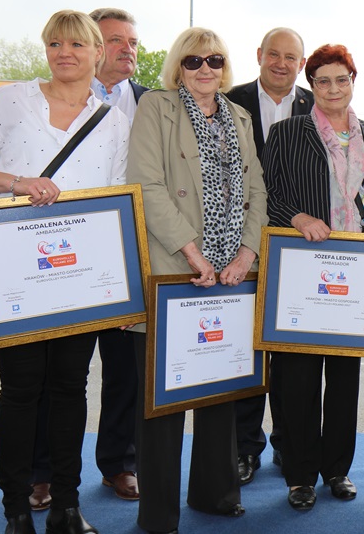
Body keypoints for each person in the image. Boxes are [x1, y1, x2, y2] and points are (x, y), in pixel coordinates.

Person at [0, 10, 130, 534]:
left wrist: (121, 292)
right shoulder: (10, 101)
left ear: (97, 52)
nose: (65, 52)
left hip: (79, 276)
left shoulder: (115, 120)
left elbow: (119, 201)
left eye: (77, 43)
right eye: (55, 43)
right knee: (22, 387)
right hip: (14, 272)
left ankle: (67, 508)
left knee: (72, 388)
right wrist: (17, 181)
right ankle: (15, 512)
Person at [127, 27, 267, 534]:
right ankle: (159, 512)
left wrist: (246, 254)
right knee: (163, 396)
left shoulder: (241, 116)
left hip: (232, 273)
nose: (204, 69)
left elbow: (256, 186)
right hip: (173, 267)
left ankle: (215, 493)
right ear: (177, 66)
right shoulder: (157, 108)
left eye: (214, 60)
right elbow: (146, 183)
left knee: (220, 384)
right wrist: (192, 252)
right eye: (193, 61)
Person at [262, 43, 364, 511]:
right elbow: (269, 196)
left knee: (344, 376)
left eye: (342, 79)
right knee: (296, 375)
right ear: (310, 86)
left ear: (354, 81)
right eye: (323, 80)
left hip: (356, 271)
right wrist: (298, 218)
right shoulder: (288, 132)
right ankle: (298, 475)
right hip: (302, 266)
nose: (333, 89)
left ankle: (336, 469)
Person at [226, 26, 313, 484]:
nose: (281, 63)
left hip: (296, 247)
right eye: (273, 54)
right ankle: (245, 447)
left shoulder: (315, 104)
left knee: (288, 355)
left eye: (291, 57)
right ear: (259, 55)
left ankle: (287, 443)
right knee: (245, 349)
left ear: (301, 63)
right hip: (240, 244)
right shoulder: (228, 99)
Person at [89, 7, 148, 501]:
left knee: (125, 366)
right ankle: (42, 472)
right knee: (55, 366)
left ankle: (119, 461)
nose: (127, 49)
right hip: (67, 251)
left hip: (129, 251)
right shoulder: (52, 98)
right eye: (115, 40)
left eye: (132, 41)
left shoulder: (152, 102)